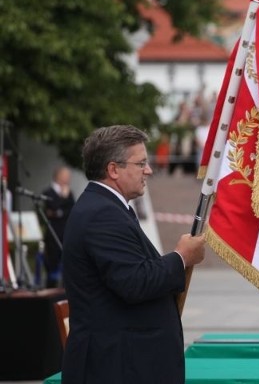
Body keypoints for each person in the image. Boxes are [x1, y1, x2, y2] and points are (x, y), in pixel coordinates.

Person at [62, 125, 206, 384]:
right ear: (113, 169)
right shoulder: (102, 214)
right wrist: (181, 257)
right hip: (115, 366)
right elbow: (135, 282)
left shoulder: (109, 208)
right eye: (140, 163)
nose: (148, 170)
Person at [41, 166, 75, 288]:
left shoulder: (69, 192)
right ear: (58, 176)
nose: (68, 179)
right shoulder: (48, 192)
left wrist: (59, 212)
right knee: (52, 266)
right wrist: (63, 199)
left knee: (67, 266)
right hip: (53, 234)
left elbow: (71, 209)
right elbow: (51, 209)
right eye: (66, 176)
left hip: (66, 233)